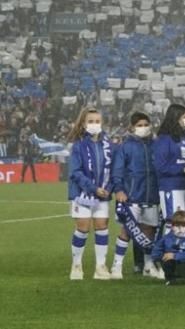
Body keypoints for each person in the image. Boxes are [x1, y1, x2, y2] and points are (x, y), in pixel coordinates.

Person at [110, 112, 160, 279]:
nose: (143, 128)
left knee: (149, 231)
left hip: (152, 195)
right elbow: (117, 170)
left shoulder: (155, 144)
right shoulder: (125, 146)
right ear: (131, 127)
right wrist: (119, 190)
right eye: (139, 125)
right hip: (132, 196)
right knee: (127, 230)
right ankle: (117, 266)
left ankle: (148, 266)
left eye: (146, 124)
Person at [67, 107, 114, 280]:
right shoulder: (79, 145)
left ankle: (100, 267)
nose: (95, 124)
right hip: (82, 194)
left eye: (97, 121)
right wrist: (93, 189)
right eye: (91, 121)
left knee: (102, 225)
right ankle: (76, 265)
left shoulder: (108, 145)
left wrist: (109, 188)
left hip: (103, 194)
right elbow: (75, 172)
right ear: (84, 123)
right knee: (83, 227)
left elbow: (114, 169)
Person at [153, 103, 185, 230]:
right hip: (172, 187)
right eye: (184, 117)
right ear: (175, 118)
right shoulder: (163, 139)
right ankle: (170, 250)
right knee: (174, 223)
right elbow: (160, 166)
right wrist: (182, 169)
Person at [151, 210, 185, 285]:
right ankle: (170, 280)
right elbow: (155, 254)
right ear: (172, 226)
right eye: (177, 226)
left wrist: (175, 256)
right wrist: (163, 256)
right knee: (167, 260)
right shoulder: (166, 239)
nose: (180, 228)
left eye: (184, 226)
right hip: (172, 266)